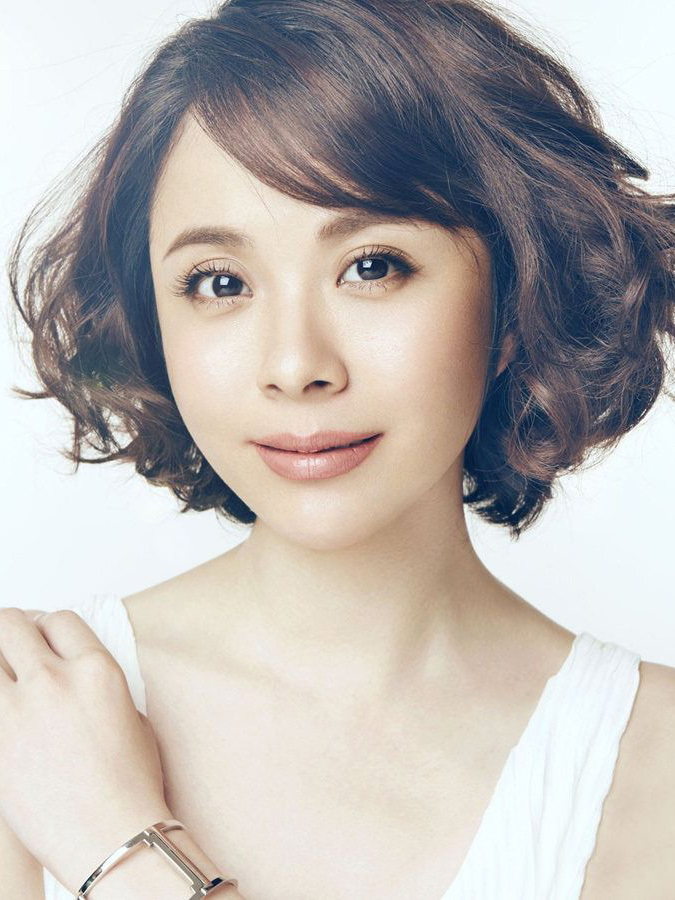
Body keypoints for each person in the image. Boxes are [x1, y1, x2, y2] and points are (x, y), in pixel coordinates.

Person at [3, 0, 675, 897]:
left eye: (372, 266)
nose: (295, 366)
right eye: (219, 283)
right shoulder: (28, 716)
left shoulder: (653, 759)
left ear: (513, 301)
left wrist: (117, 845)